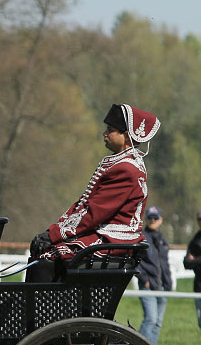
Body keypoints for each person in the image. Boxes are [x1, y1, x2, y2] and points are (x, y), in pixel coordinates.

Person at [29, 104, 160, 281]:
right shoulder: (122, 163)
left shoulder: (126, 169)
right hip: (105, 235)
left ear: (127, 135)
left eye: (111, 130)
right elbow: (85, 204)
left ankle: (42, 308)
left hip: (112, 239)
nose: (104, 134)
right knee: (47, 252)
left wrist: (54, 235)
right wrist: (57, 230)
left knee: (46, 258)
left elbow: (94, 213)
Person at [136, 206, 172, 344]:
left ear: (161, 219)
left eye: (155, 217)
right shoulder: (142, 238)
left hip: (162, 287)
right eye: (150, 217)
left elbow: (165, 264)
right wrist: (144, 279)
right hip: (148, 286)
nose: (153, 220)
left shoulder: (162, 240)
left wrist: (168, 283)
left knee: (157, 323)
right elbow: (135, 262)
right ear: (146, 219)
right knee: (150, 320)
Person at [183, 210, 201, 329]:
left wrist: (195, 260)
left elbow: (191, 261)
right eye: (199, 220)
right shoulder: (196, 239)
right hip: (199, 286)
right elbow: (186, 263)